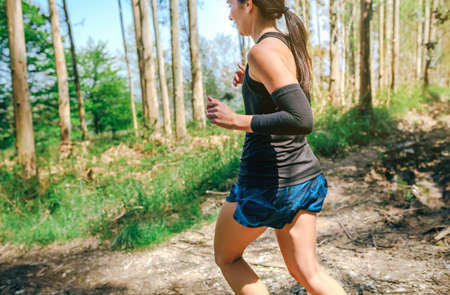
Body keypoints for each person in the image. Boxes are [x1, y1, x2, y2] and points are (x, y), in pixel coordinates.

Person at [206, 0, 348, 294]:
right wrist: (253, 84)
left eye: (230, 4)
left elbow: (300, 117)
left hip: (266, 184)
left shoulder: (261, 51)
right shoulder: (283, 44)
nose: (228, 14)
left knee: (227, 257)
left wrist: (236, 120)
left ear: (249, 5)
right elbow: (285, 96)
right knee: (308, 272)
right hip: (301, 177)